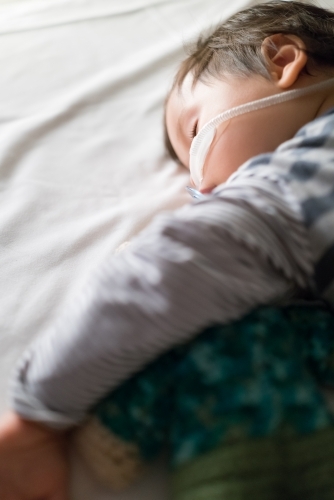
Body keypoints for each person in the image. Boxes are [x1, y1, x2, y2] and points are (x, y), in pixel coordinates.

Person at [1, 1, 334, 499]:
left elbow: (168, 274)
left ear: (283, 60)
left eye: (196, 132)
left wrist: (37, 414)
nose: (201, 185)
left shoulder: (302, 176)